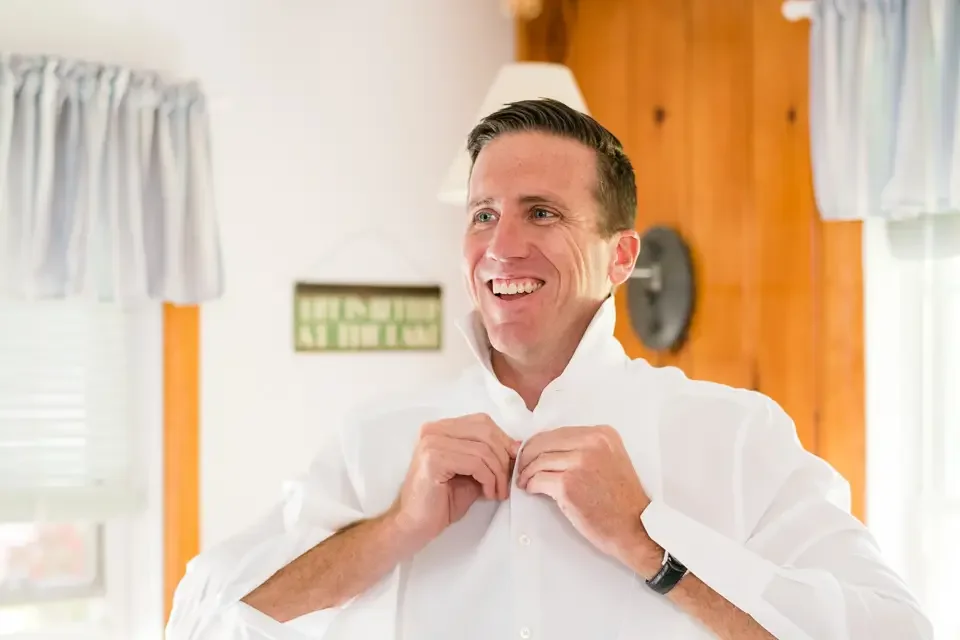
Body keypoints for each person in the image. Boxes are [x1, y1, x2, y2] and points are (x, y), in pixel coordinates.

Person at [165, 99, 932, 640]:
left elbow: (895, 633)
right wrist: (394, 530)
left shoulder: (733, 436)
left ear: (621, 256)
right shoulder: (377, 443)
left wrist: (651, 544)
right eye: (483, 214)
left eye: (542, 212)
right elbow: (205, 623)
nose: (502, 247)